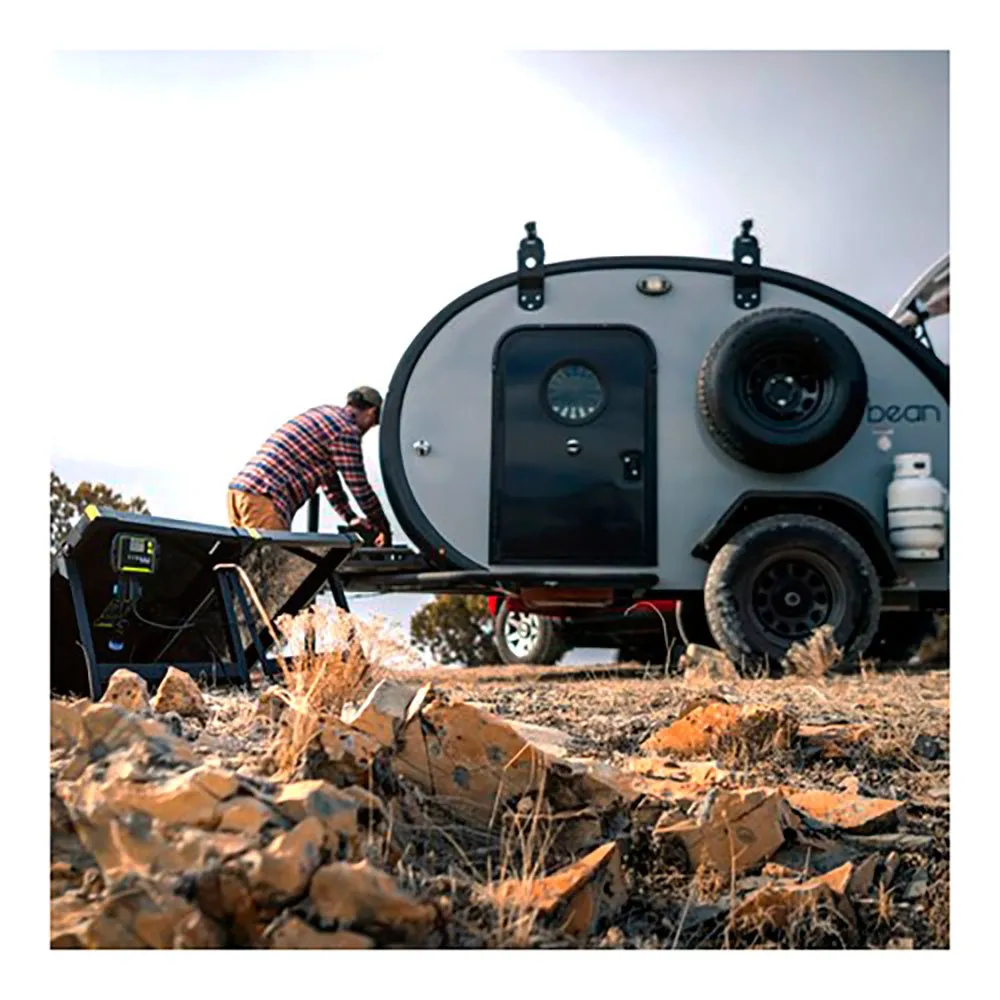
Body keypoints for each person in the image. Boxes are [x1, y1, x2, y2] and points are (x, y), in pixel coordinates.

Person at [226, 386, 392, 545]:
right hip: (265, 497)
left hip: (239, 492)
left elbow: (330, 484)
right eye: (373, 423)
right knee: (273, 561)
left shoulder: (326, 414)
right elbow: (359, 486)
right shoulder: (347, 430)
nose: (368, 429)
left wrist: (350, 518)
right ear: (371, 412)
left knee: (244, 561)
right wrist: (383, 527)